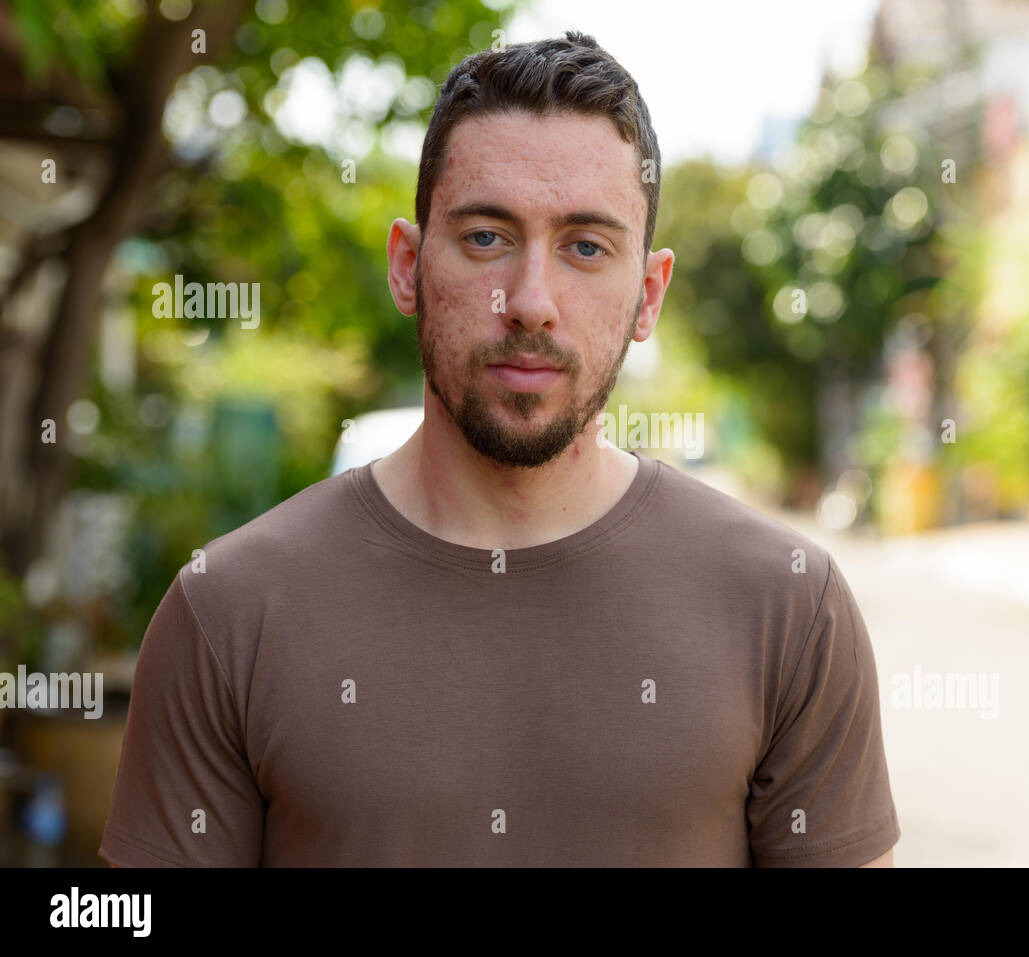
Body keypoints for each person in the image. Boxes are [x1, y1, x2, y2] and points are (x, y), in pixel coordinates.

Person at [100, 31, 900, 867]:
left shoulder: (787, 607)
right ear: (408, 266)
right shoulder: (227, 613)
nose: (530, 301)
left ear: (648, 295)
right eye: (487, 237)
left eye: (586, 247)